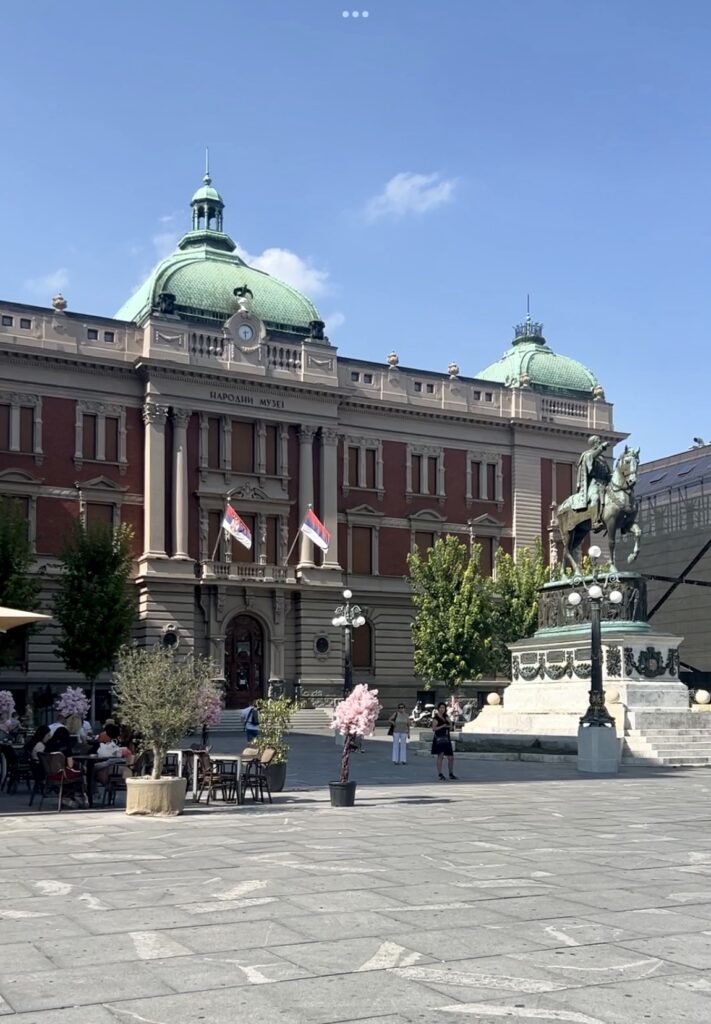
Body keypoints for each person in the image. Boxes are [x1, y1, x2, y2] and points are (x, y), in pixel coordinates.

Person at [431, 702, 457, 781]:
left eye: (444, 708)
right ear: (438, 708)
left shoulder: (446, 716)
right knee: (441, 756)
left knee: (451, 757)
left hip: (446, 738)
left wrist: (449, 724)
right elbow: (434, 728)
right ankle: (440, 773)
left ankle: (451, 773)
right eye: (441, 708)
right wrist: (442, 726)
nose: (442, 709)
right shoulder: (436, 718)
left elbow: (450, 725)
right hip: (439, 738)